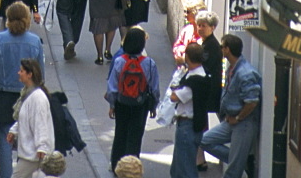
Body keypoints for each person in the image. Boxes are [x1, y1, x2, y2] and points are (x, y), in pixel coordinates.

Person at [0, 3, 44, 178]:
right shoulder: (35, 41)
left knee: (6, 136)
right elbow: (40, 73)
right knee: (27, 137)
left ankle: (6, 173)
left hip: (4, 95)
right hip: (28, 94)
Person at [199, 34, 261, 178]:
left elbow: (252, 101)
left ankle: (239, 162)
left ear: (227, 49)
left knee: (233, 172)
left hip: (243, 123)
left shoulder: (245, 73)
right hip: (230, 120)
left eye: (222, 46)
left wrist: (238, 117)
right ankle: (240, 160)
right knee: (204, 140)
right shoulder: (232, 68)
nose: (220, 49)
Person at [106, 27, 160, 169]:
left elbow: (112, 87)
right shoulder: (149, 63)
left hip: (122, 102)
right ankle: (131, 167)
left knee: (120, 133)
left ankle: (116, 164)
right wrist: (153, 106)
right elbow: (154, 88)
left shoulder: (119, 61)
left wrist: (112, 105)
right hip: (140, 104)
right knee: (135, 135)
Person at [169, 42, 211, 178]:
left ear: (187, 56)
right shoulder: (201, 74)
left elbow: (175, 97)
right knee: (178, 168)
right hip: (191, 125)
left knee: (185, 169)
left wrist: (174, 90)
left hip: (188, 126)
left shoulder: (195, 80)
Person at [7, 59, 53, 178]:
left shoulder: (37, 98)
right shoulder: (28, 94)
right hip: (30, 154)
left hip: (32, 156)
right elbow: (25, 119)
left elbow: (40, 124)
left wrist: (41, 147)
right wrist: (14, 130)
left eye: (21, 71)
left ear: (29, 74)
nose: (18, 73)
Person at [172, 0, 207, 64]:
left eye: (188, 12)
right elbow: (176, 46)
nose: (185, 14)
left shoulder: (204, 33)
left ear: (195, 13)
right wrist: (180, 51)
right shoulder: (186, 30)